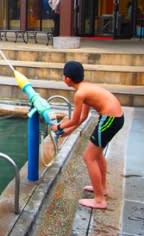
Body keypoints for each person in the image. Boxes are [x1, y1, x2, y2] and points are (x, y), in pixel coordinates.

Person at [51, 61, 124, 210]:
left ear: (68, 79)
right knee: (96, 155)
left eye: (63, 75)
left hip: (110, 119)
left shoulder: (80, 94)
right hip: (115, 118)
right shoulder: (85, 89)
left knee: (89, 157)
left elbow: (75, 119)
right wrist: (69, 131)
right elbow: (83, 117)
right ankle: (102, 189)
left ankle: (99, 200)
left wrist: (58, 126)